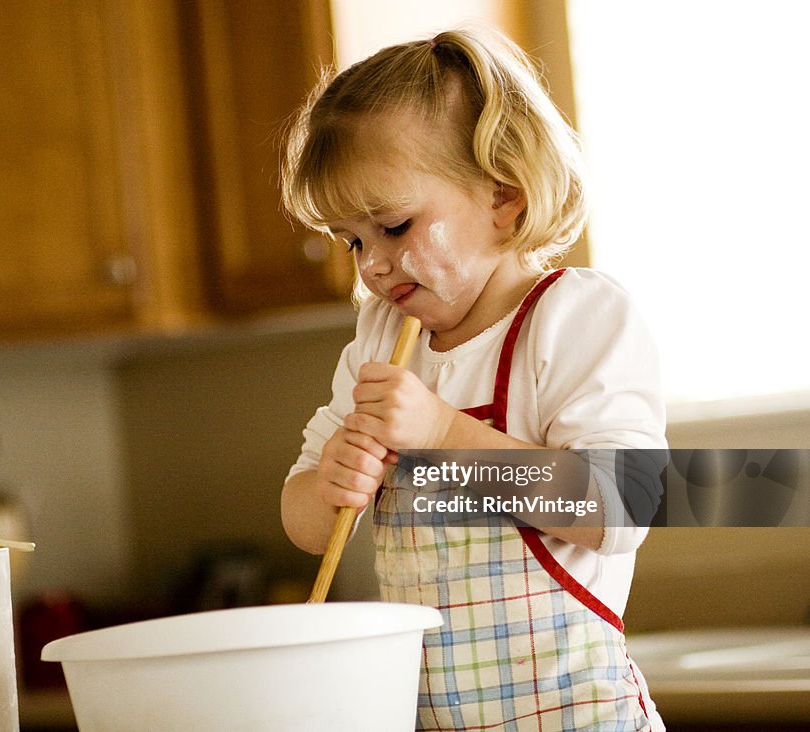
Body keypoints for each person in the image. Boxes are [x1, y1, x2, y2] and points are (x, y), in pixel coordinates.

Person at [279, 25, 667, 731]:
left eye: (394, 226)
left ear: (505, 199)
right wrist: (328, 481)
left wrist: (444, 434)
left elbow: (619, 507)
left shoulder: (573, 319)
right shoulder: (377, 342)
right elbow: (305, 523)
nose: (369, 265)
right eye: (353, 240)